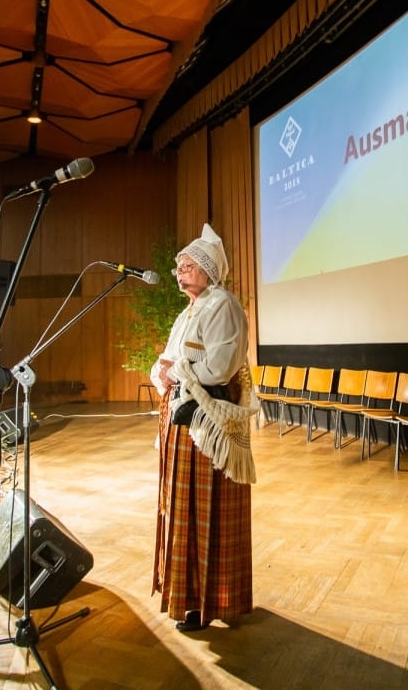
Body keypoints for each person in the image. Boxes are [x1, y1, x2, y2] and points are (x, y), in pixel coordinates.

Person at [150, 224, 258, 633]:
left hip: (206, 422)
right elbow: (169, 358)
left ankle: (213, 599)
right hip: (181, 419)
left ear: (209, 269)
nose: (180, 271)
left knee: (204, 509)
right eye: (178, 266)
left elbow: (220, 366)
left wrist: (175, 370)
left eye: (188, 264)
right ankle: (189, 596)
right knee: (182, 508)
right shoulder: (188, 311)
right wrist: (165, 371)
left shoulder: (223, 305)